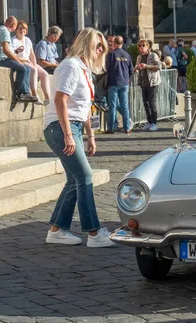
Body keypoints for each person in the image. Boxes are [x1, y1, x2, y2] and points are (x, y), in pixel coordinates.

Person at [43, 27, 114, 248]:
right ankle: (93, 232)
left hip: (71, 126)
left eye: (103, 46)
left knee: (75, 179)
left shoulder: (84, 69)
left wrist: (90, 135)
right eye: (97, 45)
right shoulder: (71, 66)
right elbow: (60, 100)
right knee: (85, 177)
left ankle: (57, 230)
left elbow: (84, 108)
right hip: (60, 127)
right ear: (86, 44)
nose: (101, 49)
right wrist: (68, 135)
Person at [0, 16, 37, 102]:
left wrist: (15, 52)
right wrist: (18, 60)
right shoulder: (5, 32)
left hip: (3, 58)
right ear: (13, 25)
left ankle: (25, 92)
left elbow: (8, 50)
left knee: (26, 68)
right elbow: (6, 50)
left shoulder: (2, 30)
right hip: (1, 59)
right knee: (23, 68)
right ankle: (20, 93)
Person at [12, 20, 50, 105]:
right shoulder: (13, 40)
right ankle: (35, 94)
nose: (22, 30)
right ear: (16, 30)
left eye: (24, 29)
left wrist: (34, 63)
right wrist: (29, 63)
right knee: (33, 69)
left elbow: (32, 55)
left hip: (28, 61)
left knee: (44, 74)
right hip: (21, 61)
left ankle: (47, 98)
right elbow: (13, 55)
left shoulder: (27, 40)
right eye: (20, 28)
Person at [106, 35, 133, 134]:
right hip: (124, 82)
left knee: (112, 106)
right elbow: (131, 70)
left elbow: (107, 68)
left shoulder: (111, 54)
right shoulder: (127, 55)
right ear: (122, 43)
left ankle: (111, 127)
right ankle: (127, 127)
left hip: (113, 82)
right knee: (125, 106)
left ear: (114, 43)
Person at [135, 39, 162, 132]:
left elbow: (159, 66)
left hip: (153, 82)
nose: (141, 47)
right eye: (140, 46)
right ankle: (149, 121)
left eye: (143, 45)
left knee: (152, 102)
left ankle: (154, 123)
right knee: (145, 103)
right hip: (143, 83)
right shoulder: (139, 57)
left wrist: (147, 66)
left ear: (148, 47)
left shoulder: (153, 55)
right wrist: (136, 68)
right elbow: (137, 68)